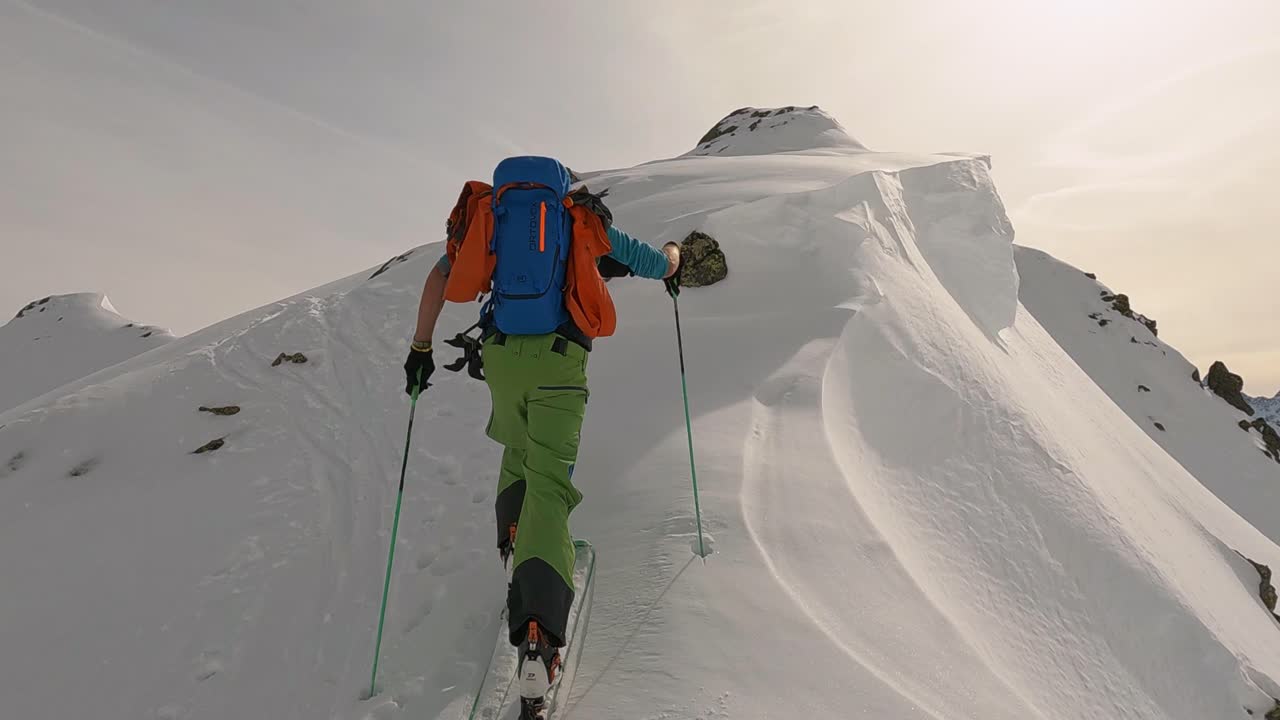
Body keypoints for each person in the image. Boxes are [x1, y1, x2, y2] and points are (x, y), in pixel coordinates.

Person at [402, 156, 679, 715]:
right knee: (550, 482)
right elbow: (650, 262)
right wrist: (674, 257)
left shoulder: (492, 218)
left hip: (502, 358)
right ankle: (539, 638)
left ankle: (513, 537)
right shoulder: (580, 218)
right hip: (559, 361)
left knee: (517, 444)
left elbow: (438, 277)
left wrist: (421, 347)